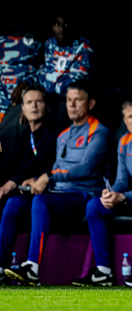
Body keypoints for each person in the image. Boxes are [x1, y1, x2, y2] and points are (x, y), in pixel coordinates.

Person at [3, 80, 111, 286]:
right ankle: (0, 267)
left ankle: (32, 267)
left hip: (84, 195)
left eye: (78, 100)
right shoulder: (63, 135)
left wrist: (49, 178)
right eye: (69, 100)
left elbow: (86, 168)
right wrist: (38, 180)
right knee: (14, 204)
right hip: (58, 195)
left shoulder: (100, 132)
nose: (71, 105)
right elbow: (57, 170)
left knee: (41, 202)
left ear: (90, 104)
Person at [72, 96, 132, 287]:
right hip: (131, 198)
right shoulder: (124, 141)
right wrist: (111, 193)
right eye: (130, 117)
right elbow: (122, 180)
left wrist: (123, 196)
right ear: (124, 121)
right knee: (94, 205)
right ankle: (103, 272)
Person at [0, 84, 60, 285]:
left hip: (54, 193)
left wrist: (11, 183)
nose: (33, 106)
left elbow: (40, 161)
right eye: (28, 102)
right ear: (23, 109)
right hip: (29, 194)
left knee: (29, 200)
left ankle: (32, 267)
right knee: (12, 204)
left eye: (38, 101)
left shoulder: (56, 131)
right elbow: (11, 164)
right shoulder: (25, 134)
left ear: (46, 106)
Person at [39, 15, 94, 96]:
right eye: (57, 25)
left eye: (66, 25)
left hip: (70, 97)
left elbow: (77, 82)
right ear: (52, 26)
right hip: (49, 97)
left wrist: (49, 87)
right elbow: (45, 71)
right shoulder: (49, 43)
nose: (61, 29)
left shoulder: (83, 46)